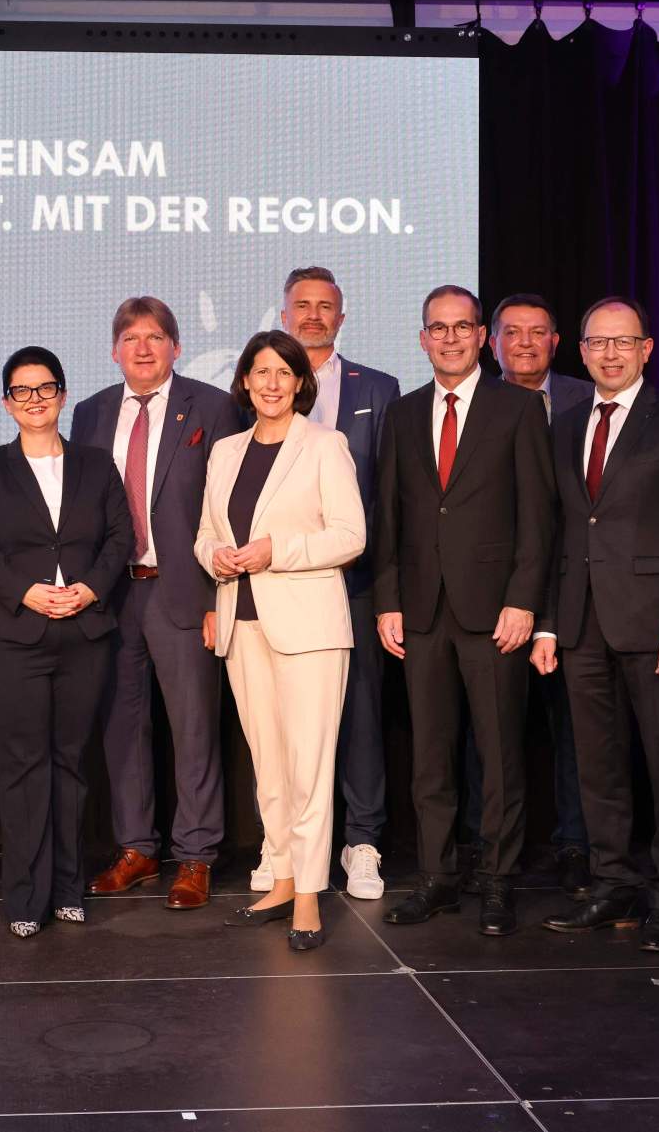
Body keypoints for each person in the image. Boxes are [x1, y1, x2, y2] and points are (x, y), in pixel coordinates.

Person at [530, 298, 659, 953]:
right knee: (597, 766)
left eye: (623, 341)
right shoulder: (565, 424)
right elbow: (558, 531)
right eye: (598, 343)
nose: (610, 353)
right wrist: (548, 623)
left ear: (646, 349)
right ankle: (613, 881)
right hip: (580, 624)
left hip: (655, 624)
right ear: (580, 352)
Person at [375, 285, 554, 938]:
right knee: (430, 756)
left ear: (482, 336)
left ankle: (497, 879)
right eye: (437, 328)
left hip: (495, 610)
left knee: (500, 753)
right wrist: (388, 600)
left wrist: (524, 599)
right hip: (421, 611)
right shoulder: (402, 413)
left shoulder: (519, 408)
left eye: (461, 327)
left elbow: (539, 515)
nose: (449, 338)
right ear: (422, 338)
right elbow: (389, 514)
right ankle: (437, 876)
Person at [196, 331, 367, 952]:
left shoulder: (324, 445)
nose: (271, 383)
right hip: (241, 622)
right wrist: (214, 556)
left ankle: (309, 896)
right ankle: (283, 877)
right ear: (244, 380)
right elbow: (205, 532)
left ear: (300, 383)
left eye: (283, 373)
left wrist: (277, 550)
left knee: (308, 767)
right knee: (268, 765)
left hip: (310, 628)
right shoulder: (225, 451)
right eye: (261, 372)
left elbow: (350, 536)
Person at [72, 297, 242, 910]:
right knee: (122, 727)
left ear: (176, 347)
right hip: (112, 594)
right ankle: (137, 848)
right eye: (131, 338)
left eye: (154, 337)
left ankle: (195, 855)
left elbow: (229, 503)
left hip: (185, 589)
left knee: (193, 727)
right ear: (114, 350)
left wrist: (221, 596)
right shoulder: (90, 412)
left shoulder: (213, 406)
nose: (142, 348)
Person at [0, 347, 131, 939]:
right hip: (13, 637)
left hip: (83, 634)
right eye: (22, 391)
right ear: (7, 403)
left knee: (71, 764)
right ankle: (25, 897)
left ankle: (66, 888)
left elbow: (119, 537)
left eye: (45, 388)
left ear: (62, 394)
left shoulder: (95, 464)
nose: (35, 399)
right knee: (23, 766)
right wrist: (25, 592)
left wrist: (90, 588)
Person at [273, 266, 399, 903]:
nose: (313, 316)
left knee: (361, 716)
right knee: (288, 720)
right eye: (303, 305)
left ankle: (363, 842)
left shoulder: (379, 388)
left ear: (342, 318)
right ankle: (293, 846)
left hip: (356, 582)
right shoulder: (263, 387)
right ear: (284, 315)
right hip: (281, 583)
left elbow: (390, 496)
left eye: (325, 306)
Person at [472, 293, 593, 898]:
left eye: (537, 332)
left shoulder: (588, 399)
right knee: (489, 730)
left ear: (556, 342)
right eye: (511, 332)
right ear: (491, 342)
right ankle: (489, 846)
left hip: (575, 585)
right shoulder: (474, 402)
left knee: (575, 724)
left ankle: (576, 842)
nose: (524, 343)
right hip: (493, 594)